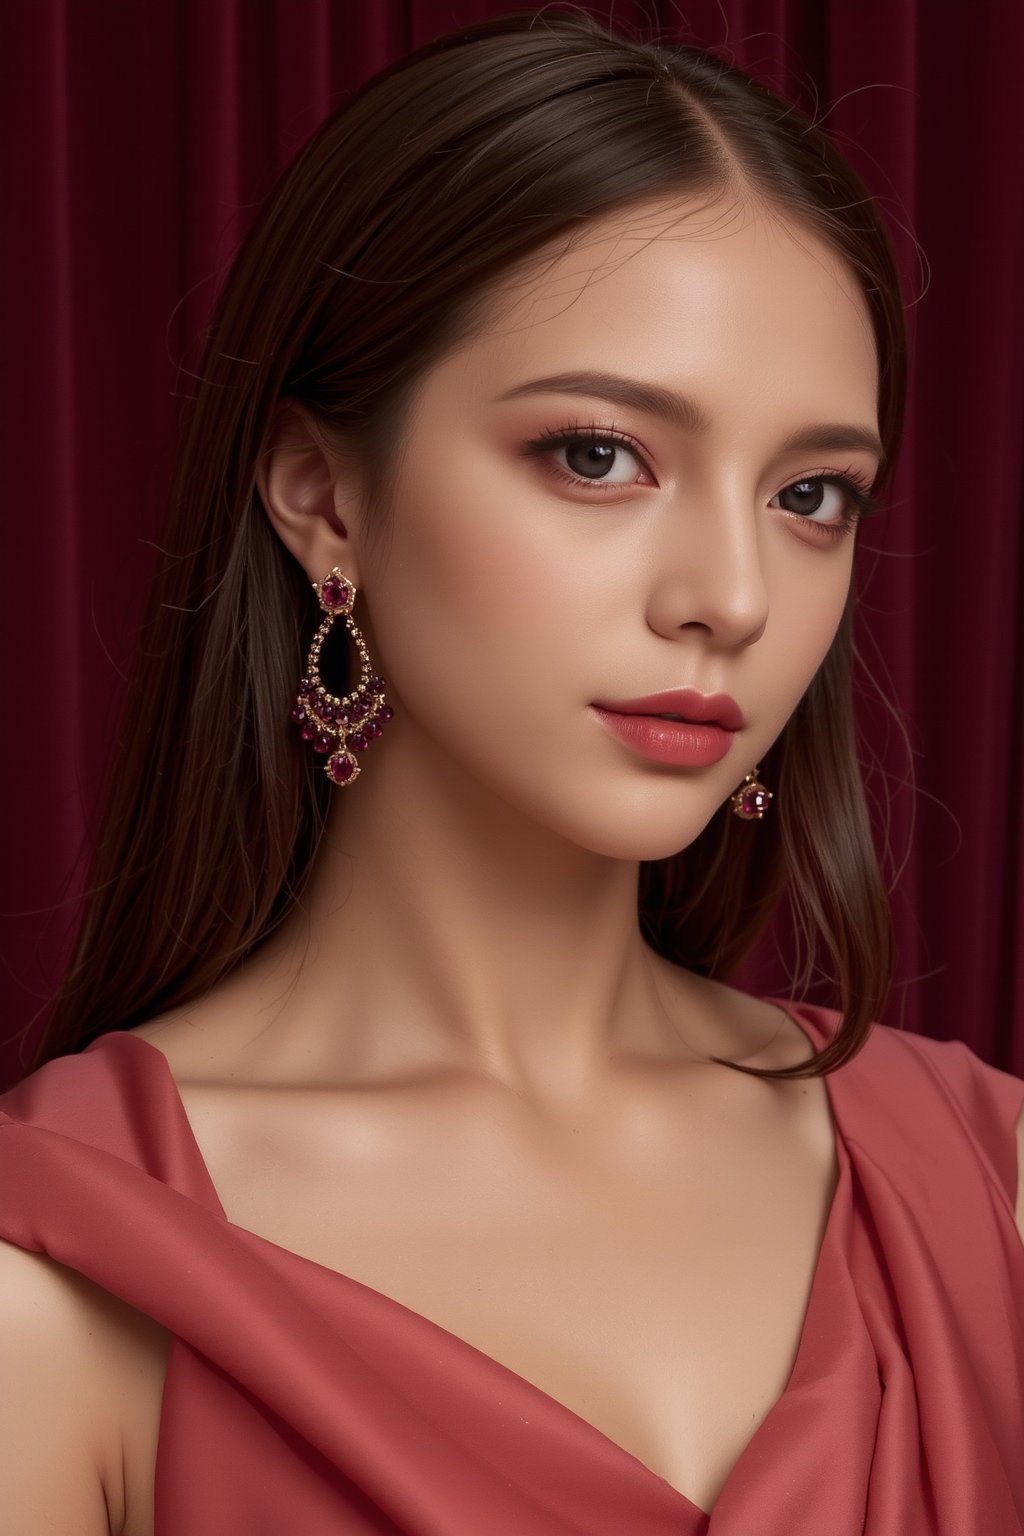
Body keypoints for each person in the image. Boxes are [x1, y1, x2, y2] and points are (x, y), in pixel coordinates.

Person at [1, 9, 1022, 1534]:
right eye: (599, 455)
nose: (732, 595)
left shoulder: (989, 1182)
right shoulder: (56, 1274)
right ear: (320, 495)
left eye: (813, 493)